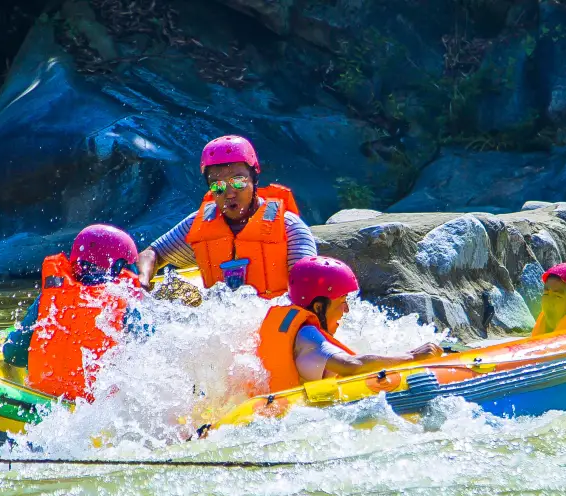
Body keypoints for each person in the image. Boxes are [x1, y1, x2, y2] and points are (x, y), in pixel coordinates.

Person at [136, 135, 317, 298]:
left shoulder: (290, 228)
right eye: (217, 186)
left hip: (275, 324)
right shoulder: (198, 224)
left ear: (254, 179)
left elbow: (310, 291)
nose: (229, 193)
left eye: (238, 181)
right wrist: (143, 282)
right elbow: (151, 254)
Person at [257, 256, 443, 392]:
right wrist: (412, 356)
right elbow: (352, 365)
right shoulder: (307, 336)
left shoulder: (288, 328)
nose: (346, 310)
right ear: (319, 307)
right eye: (342, 301)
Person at [3, 224, 144, 402]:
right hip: (95, 410)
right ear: (117, 267)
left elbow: (14, 354)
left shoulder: (51, 294)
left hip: (41, 399)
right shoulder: (125, 303)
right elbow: (147, 359)